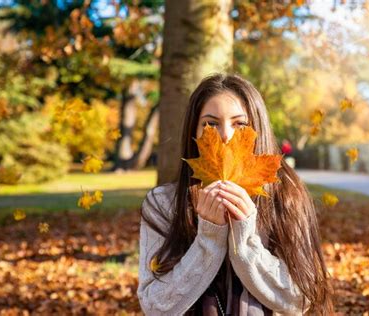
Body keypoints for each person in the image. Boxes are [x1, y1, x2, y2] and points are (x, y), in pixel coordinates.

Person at [137, 74, 333, 315]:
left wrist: (244, 239)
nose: (225, 136)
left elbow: (300, 299)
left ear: (257, 130)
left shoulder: (286, 196)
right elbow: (154, 307)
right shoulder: (163, 203)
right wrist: (209, 238)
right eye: (210, 124)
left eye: (240, 124)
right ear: (193, 133)